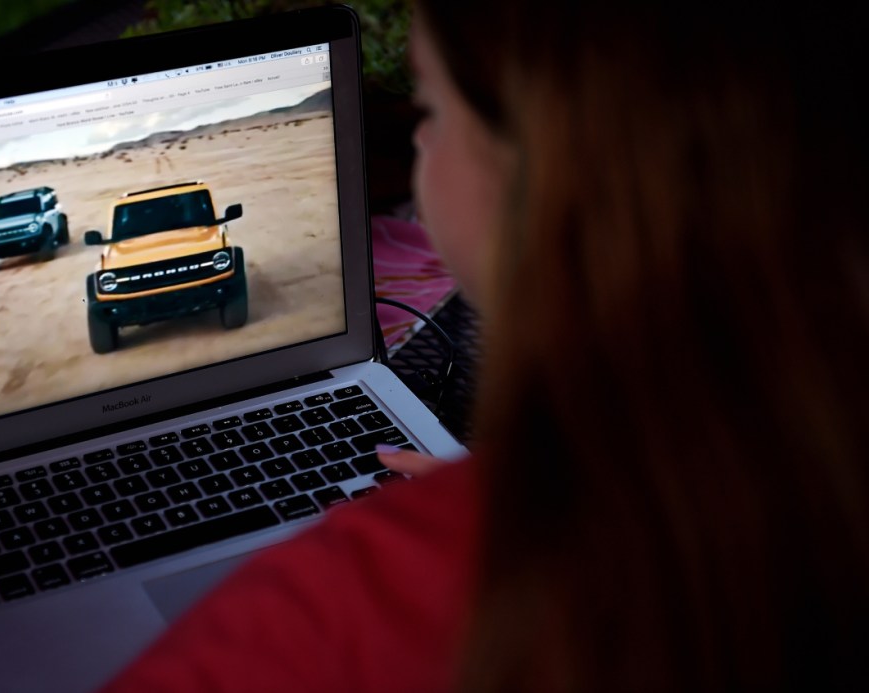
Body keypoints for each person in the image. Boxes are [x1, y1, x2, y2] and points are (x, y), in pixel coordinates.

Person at [103, 1, 868, 690]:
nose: (419, 145)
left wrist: (469, 515)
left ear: (546, 171)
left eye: (428, 109)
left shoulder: (362, 598)